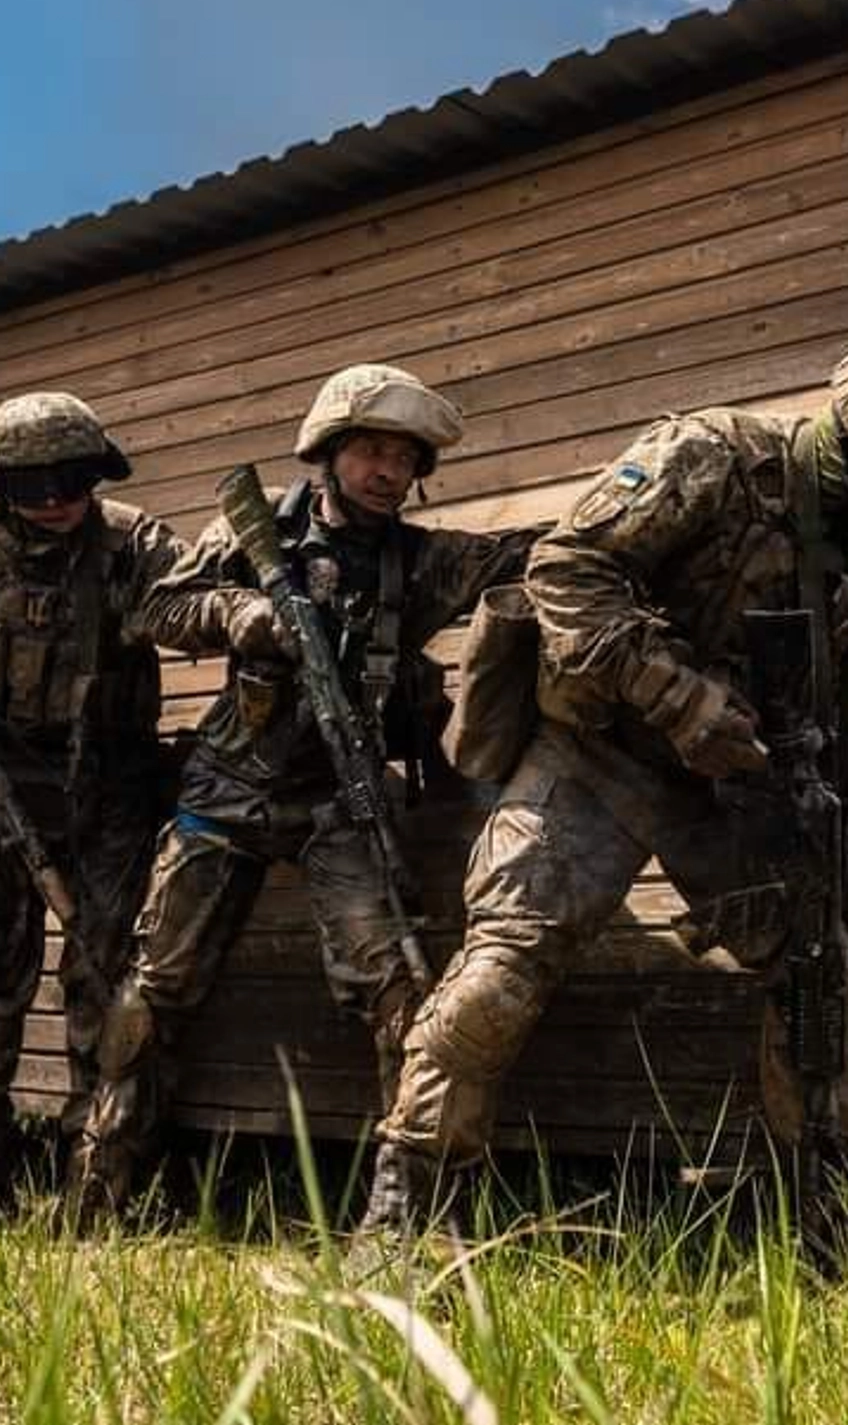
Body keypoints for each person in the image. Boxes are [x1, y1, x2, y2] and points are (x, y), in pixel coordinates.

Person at [353, 328, 848, 1235]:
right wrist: (676, 693)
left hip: (736, 794)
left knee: (826, 977)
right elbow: (566, 570)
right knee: (501, 969)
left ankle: (824, 1214)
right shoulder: (711, 458)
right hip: (599, 757)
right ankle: (405, 1205)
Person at [77, 363, 538, 1225]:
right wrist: (240, 615)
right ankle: (100, 1188)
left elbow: (527, 555)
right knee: (153, 989)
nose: (389, 472)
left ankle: (410, 1214)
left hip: (340, 798)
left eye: (405, 459)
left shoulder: (422, 562)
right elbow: (155, 609)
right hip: (226, 787)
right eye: (371, 451)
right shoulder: (255, 532)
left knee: (400, 986)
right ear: (327, 455)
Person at [0, 390, 186, 1211]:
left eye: (71, 481)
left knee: (107, 976)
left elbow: (201, 601)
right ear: (1, 485)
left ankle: (103, 1184)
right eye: (32, 486)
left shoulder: (135, 542)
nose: (53, 502)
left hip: (109, 797)